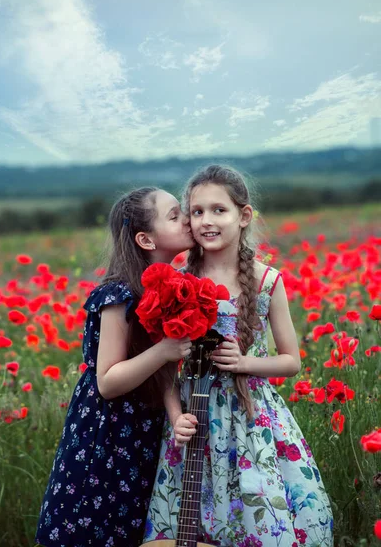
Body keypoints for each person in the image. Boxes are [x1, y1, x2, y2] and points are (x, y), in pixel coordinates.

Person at [143, 165, 333, 547]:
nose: (206, 221)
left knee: (257, 511)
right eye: (196, 212)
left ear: (244, 216)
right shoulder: (177, 278)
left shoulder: (266, 281)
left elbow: (290, 360)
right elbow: (164, 364)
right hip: (193, 417)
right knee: (190, 520)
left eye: (219, 210)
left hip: (251, 417)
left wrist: (245, 362)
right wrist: (175, 415)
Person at [35, 187, 194, 547]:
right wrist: (165, 350)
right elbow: (107, 381)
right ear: (146, 239)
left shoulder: (172, 288)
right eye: (173, 215)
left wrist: (174, 415)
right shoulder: (119, 294)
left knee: (131, 527)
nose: (186, 218)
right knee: (93, 527)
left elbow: (163, 369)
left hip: (142, 427)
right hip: (107, 431)